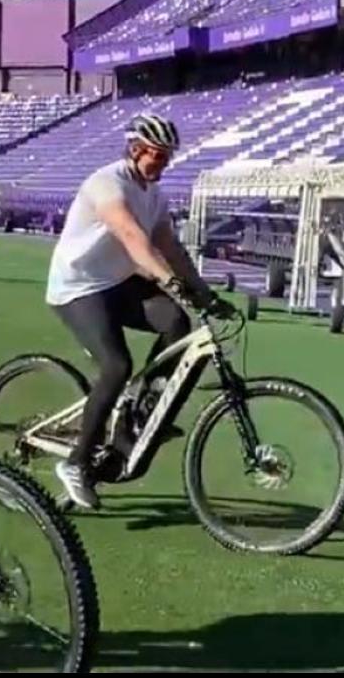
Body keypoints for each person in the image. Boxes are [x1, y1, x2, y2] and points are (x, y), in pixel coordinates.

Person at [45, 112, 234, 510]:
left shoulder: (154, 194)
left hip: (117, 283)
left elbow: (171, 248)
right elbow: (133, 238)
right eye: (159, 157)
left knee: (176, 322)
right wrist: (169, 281)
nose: (164, 165)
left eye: (168, 158)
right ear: (135, 150)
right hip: (79, 287)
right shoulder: (106, 183)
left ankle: (139, 413)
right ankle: (77, 464)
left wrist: (205, 294)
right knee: (116, 365)